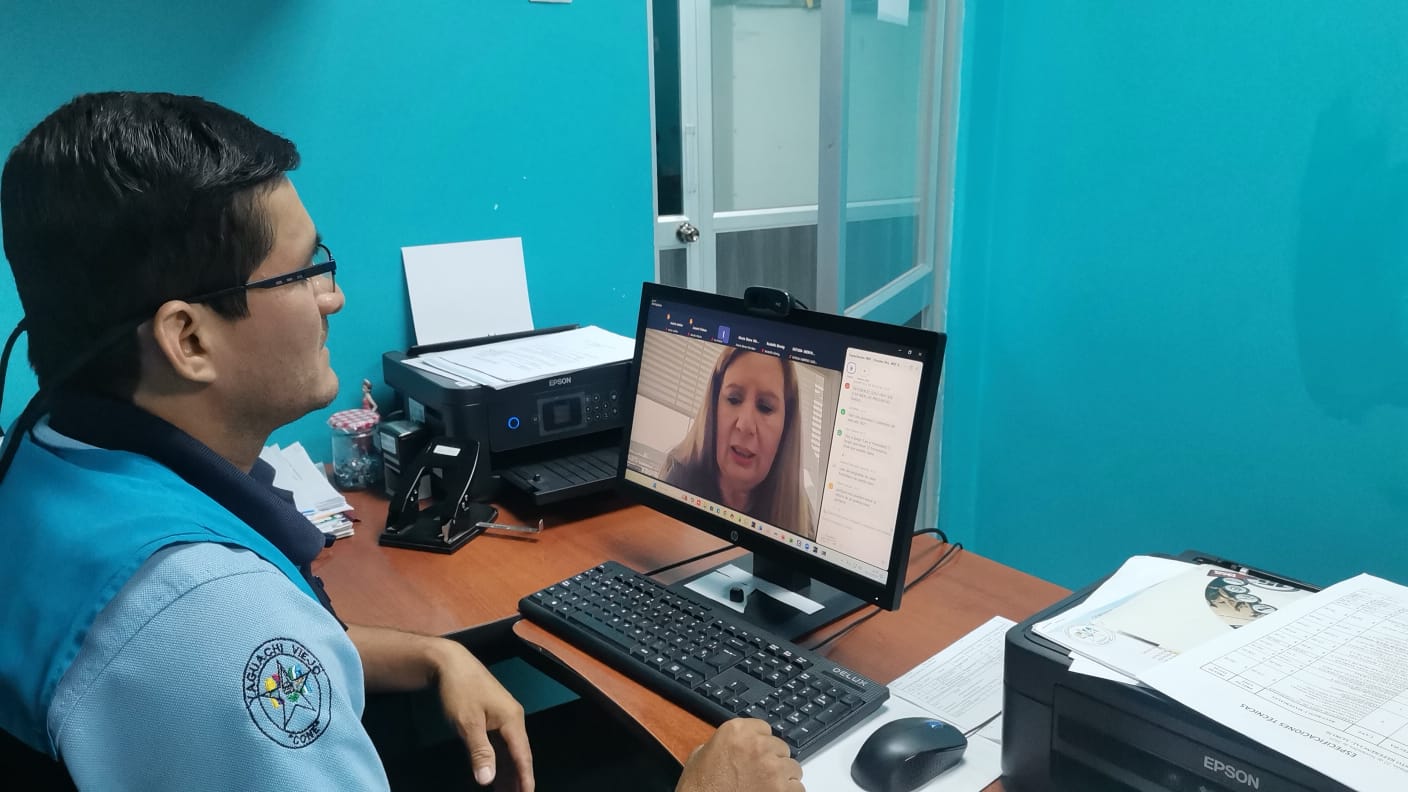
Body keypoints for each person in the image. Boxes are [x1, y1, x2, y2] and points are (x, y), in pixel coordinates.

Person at [0, 92, 804, 792]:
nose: (334, 298)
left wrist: (433, 654)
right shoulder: (211, 616)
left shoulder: (53, 455)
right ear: (188, 339)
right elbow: (227, 642)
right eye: (302, 272)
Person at [660, 348, 816, 540]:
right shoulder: (676, 483)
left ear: (786, 426)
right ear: (714, 408)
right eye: (733, 399)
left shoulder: (800, 519)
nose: (745, 425)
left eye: (765, 407)